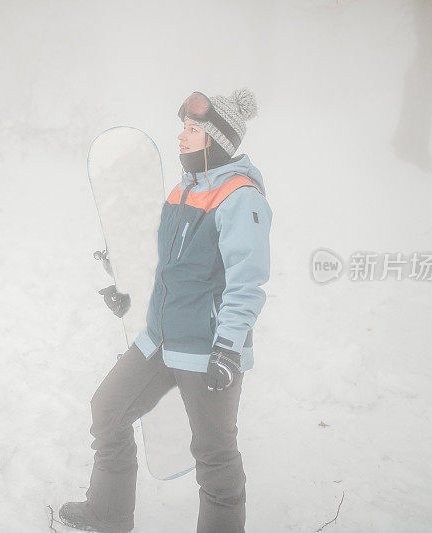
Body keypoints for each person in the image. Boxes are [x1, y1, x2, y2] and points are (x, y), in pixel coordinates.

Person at [60, 88, 273, 533]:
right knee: (108, 410)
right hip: (160, 337)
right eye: (184, 127)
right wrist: (130, 296)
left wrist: (228, 349)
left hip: (206, 348)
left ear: (215, 139)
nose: (181, 136)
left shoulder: (240, 197)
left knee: (214, 457)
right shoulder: (185, 188)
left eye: (192, 129)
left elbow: (246, 283)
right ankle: (108, 515)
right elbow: (167, 268)